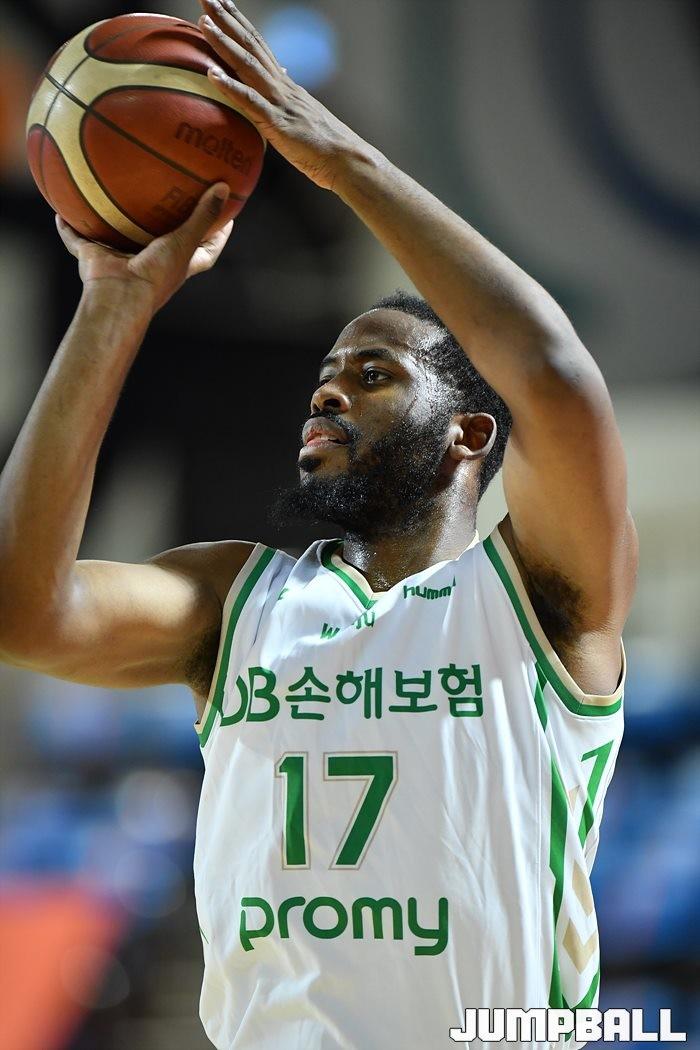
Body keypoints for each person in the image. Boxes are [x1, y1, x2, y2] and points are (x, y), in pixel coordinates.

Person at [0, 2, 638, 1047]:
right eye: (325, 378)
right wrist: (112, 302)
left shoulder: (536, 602)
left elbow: (554, 376)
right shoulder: (236, 602)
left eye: (374, 374)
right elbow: (23, 612)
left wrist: (348, 166)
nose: (328, 393)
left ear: (471, 431)